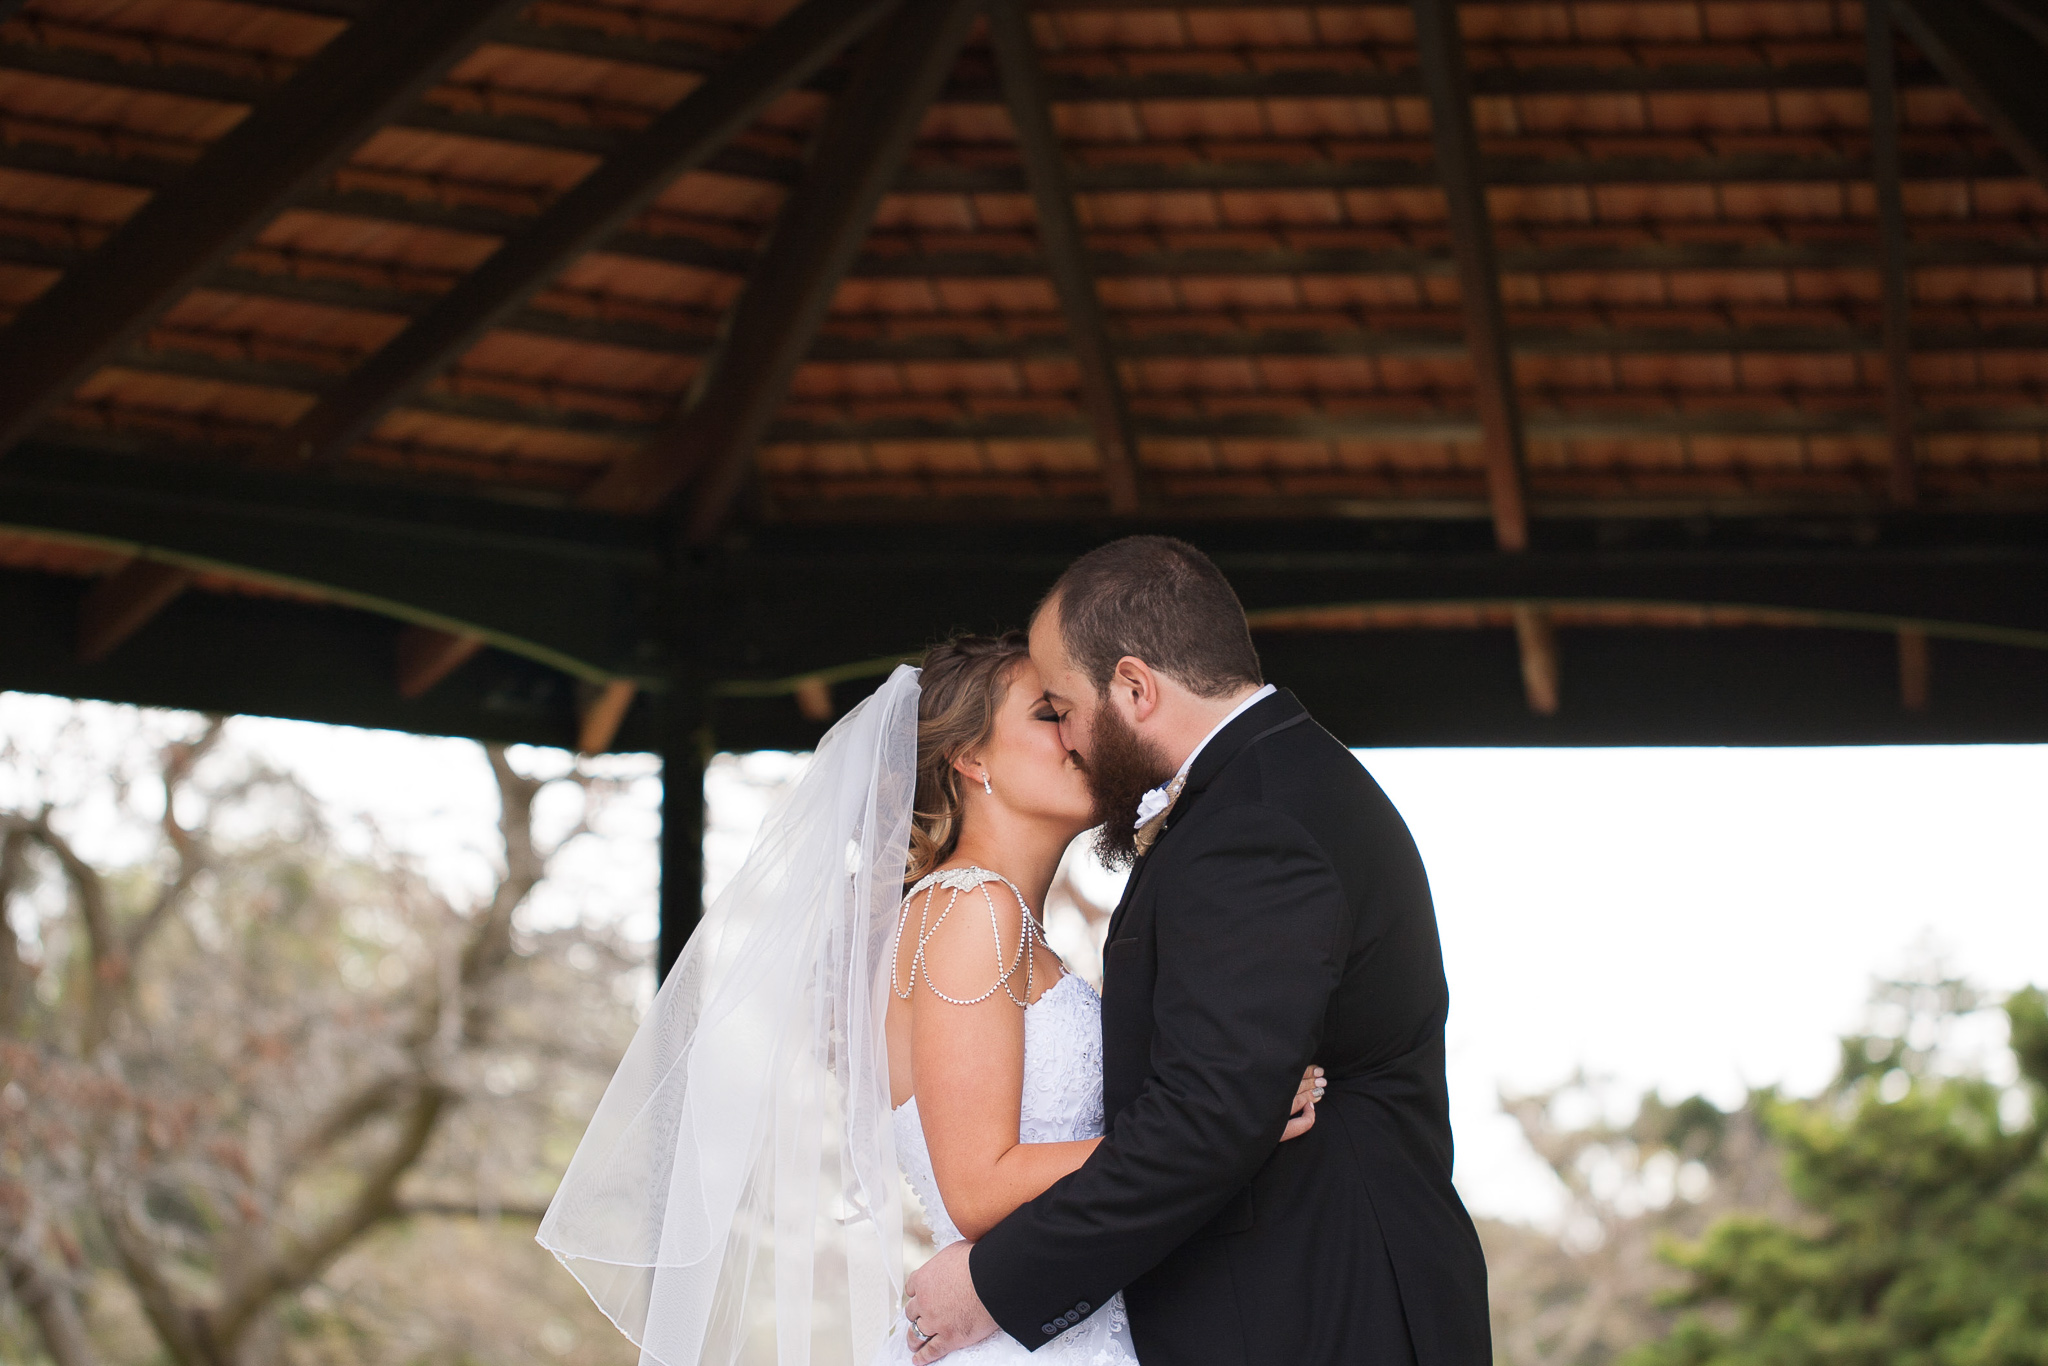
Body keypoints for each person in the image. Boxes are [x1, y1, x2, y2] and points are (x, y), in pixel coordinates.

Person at [537, 626, 1315, 1366]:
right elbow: (978, 1187)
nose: (1082, 732)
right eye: (1051, 713)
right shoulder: (972, 908)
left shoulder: (997, 921)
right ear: (971, 758)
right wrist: (1220, 1129)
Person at [902, 536, 1491, 1366]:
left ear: (1135, 687)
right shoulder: (1269, 791)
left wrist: (996, 1285)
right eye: (1049, 716)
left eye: (1063, 706)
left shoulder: (1251, 822)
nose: (1071, 736)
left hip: (1319, 1309)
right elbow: (1211, 1112)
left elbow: (1207, 1115)